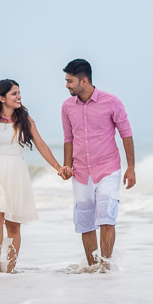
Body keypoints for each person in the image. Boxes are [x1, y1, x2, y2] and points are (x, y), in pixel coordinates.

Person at [0, 79, 70, 273]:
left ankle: (10, 269)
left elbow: (40, 144)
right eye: (14, 93)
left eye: (19, 92)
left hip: (15, 173)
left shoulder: (25, 120)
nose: (19, 96)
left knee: (13, 223)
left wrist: (58, 166)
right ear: (1, 98)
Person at [61, 59, 135, 269]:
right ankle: (92, 268)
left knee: (106, 216)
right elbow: (68, 138)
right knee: (84, 220)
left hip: (108, 169)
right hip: (80, 171)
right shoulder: (67, 106)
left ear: (84, 80)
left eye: (70, 81)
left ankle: (106, 266)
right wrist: (67, 165)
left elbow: (126, 134)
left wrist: (131, 167)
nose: (67, 85)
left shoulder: (112, 102)